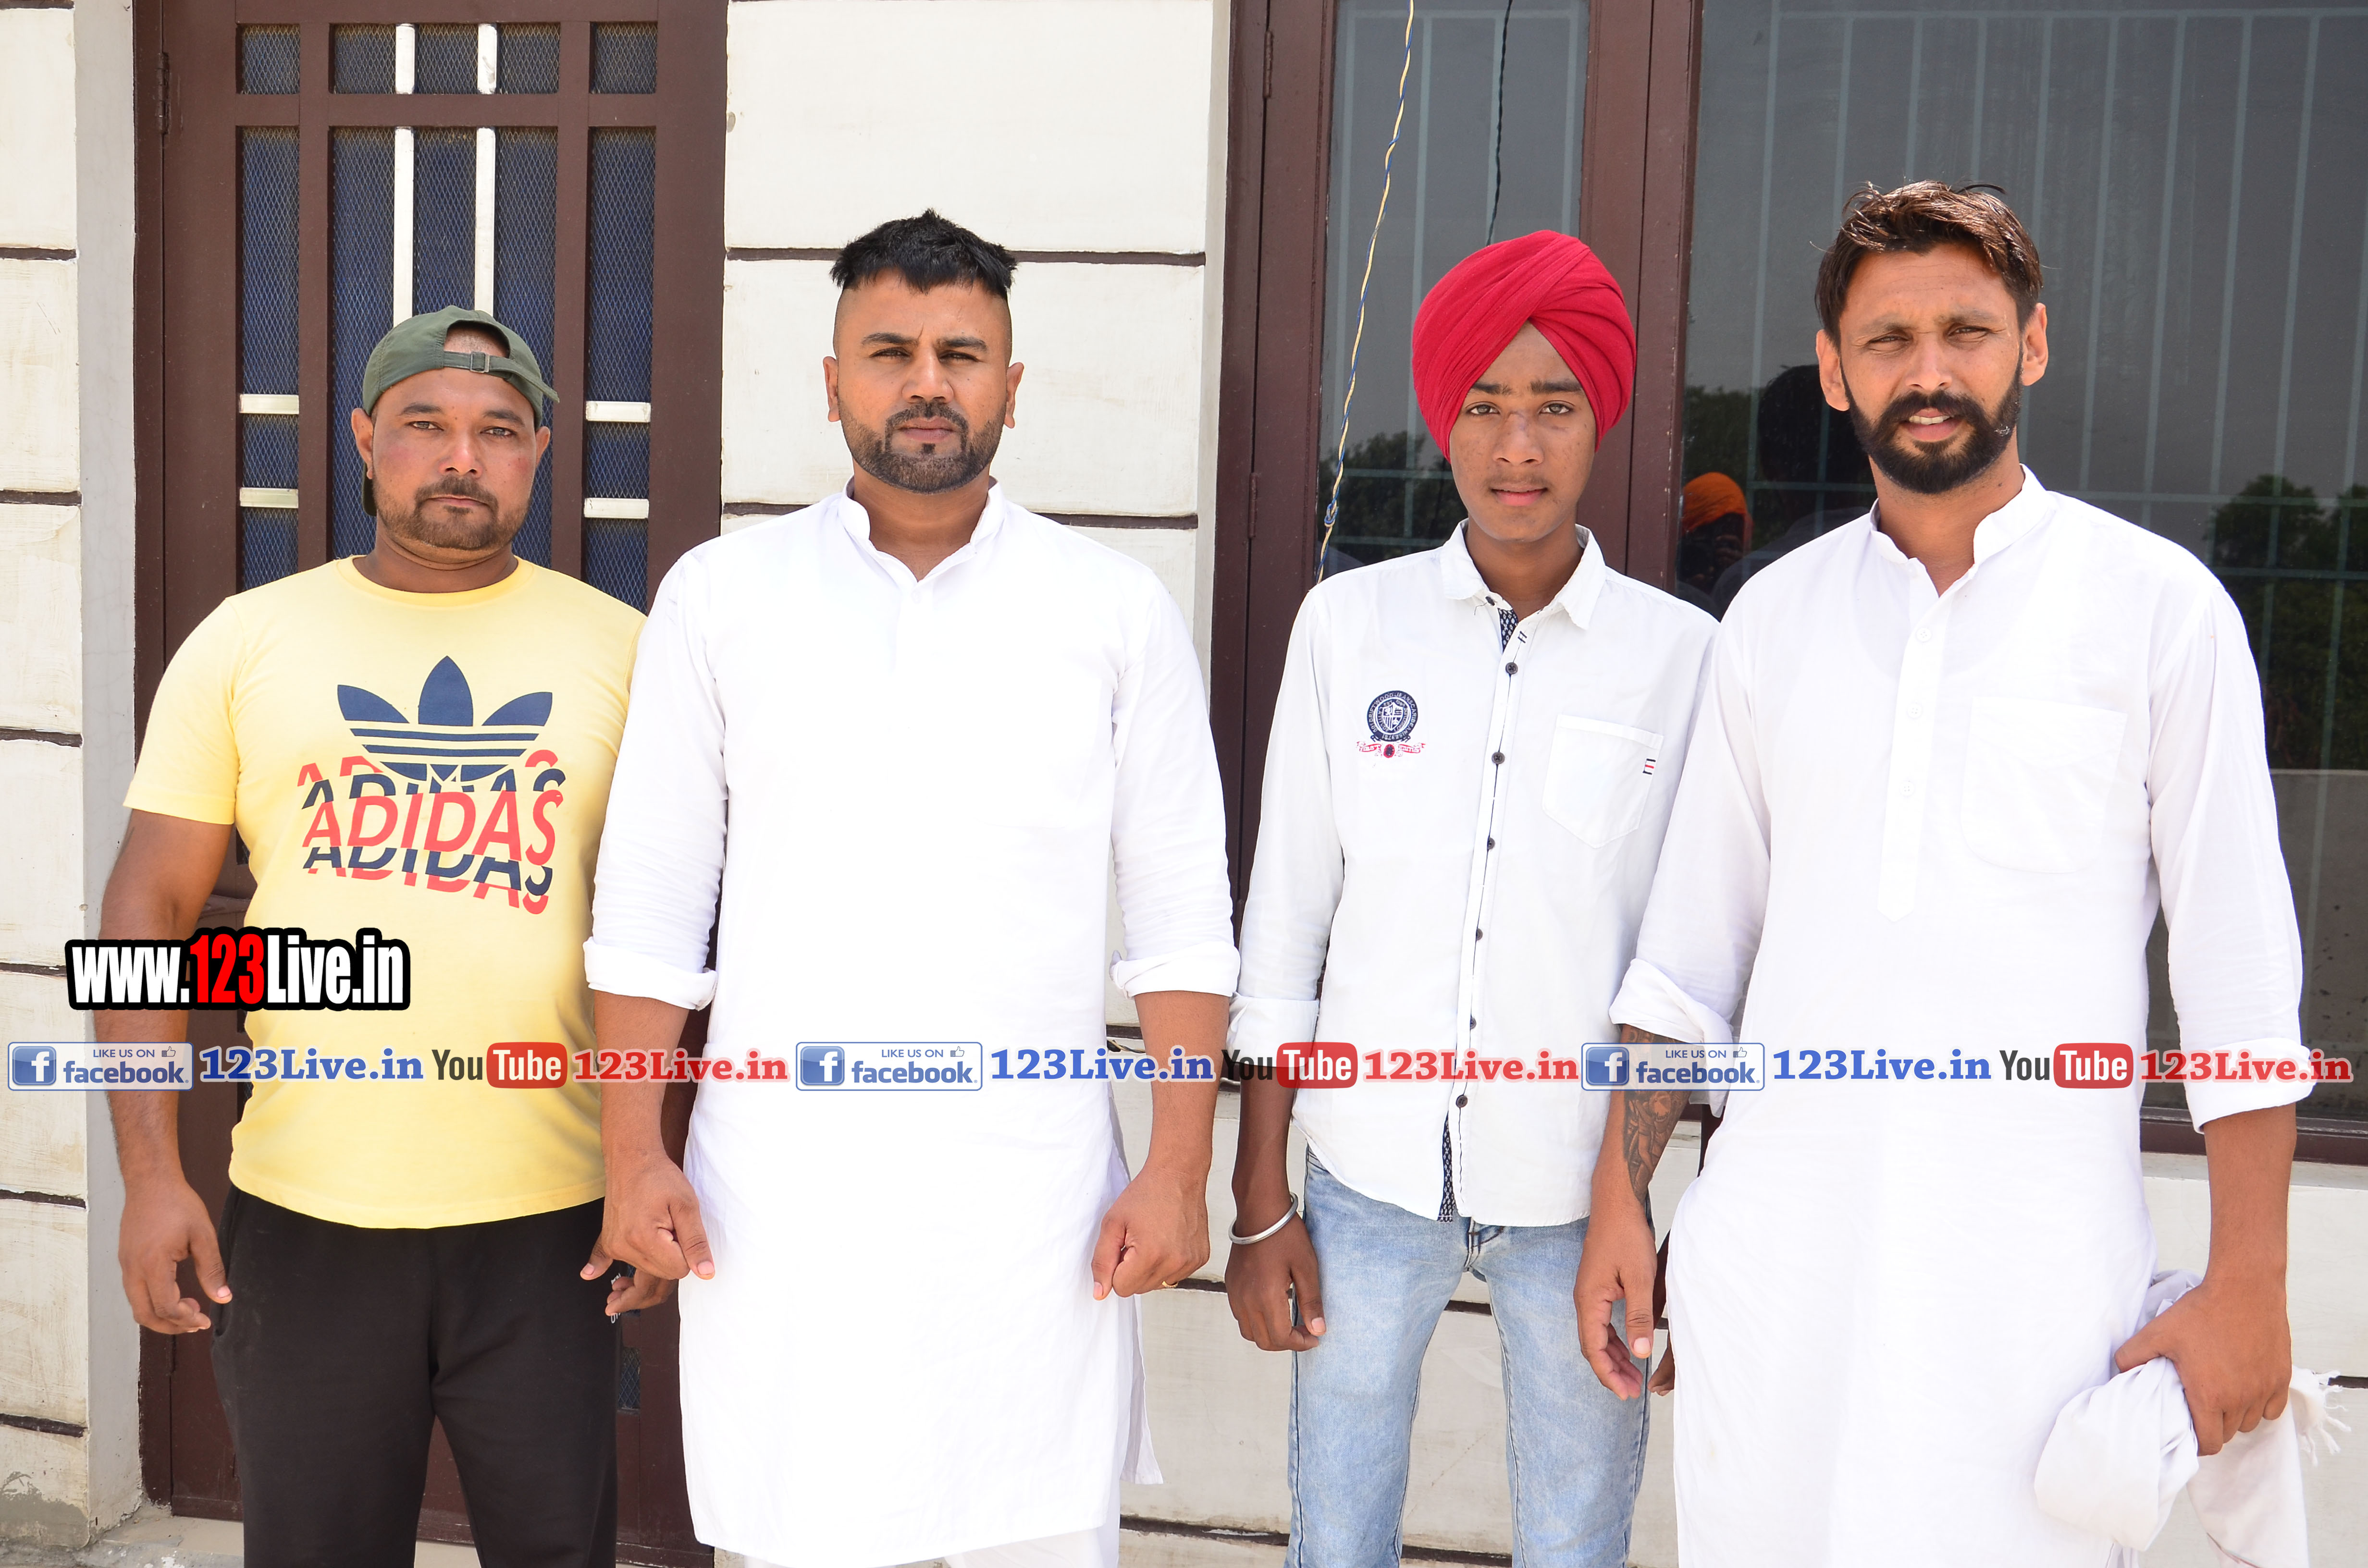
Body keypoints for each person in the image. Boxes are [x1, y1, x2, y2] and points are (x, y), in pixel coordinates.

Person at [1574, 182, 2313, 1566]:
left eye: (1966, 331)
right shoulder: (1772, 620)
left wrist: (2250, 1284)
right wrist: (1624, 1202)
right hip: (1777, 1278)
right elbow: (1689, 959)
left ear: (2031, 344)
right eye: (1889, 338)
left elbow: (2238, 975)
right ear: (1835, 368)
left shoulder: (2158, 612)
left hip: (2032, 1297)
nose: (1929, 371)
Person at [581, 210, 1239, 1568]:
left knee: (1034, 1533)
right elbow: (650, 903)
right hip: (786, 1199)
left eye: (961, 354)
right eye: (889, 353)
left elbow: (1182, 917)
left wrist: (1182, 1169)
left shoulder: (1112, 609)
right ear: (833, 383)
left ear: (1012, 385)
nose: (926, 383)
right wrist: (634, 1153)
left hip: (1035, 1211)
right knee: (810, 1531)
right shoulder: (724, 596)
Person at [100, 306, 647, 1568]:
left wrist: (647, 1164)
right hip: (305, 1214)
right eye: (425, 424)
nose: (461, 457)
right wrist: (151, 1178)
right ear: (363, 439)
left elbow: (670, 929)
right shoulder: (248, 639)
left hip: (554, 1217)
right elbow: (150, 910)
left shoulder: (624, 651)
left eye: (498, 430)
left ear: (539, 452)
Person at [1224, 230, 1715, 1568]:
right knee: (1337, 1537)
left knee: (1576, 1537)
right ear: (1445, 419)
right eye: (1487, 406)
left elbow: (1694, 963)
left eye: (1554, 406)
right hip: (1364, 1173)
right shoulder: (1349, 628)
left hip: (1583, 1194)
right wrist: (1259, 1196)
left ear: (1598, 421)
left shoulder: (1683, 660)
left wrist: (1669, 1211)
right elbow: (1287, 923)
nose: (1518, 446)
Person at [1675, 472, 1750, 607]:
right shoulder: (1667, 572)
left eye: (1729, 531)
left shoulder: (1749, 583)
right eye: (1703, 533)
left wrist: (1739, 575)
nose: (1708, 549)